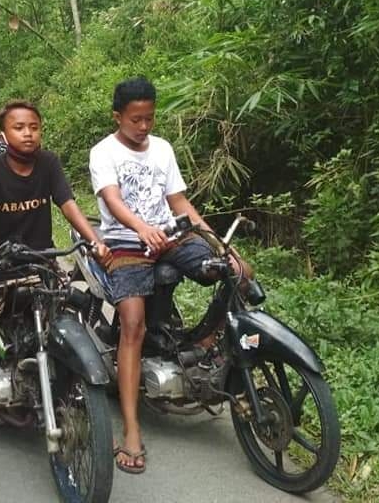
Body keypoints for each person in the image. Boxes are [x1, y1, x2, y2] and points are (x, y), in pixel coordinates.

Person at [0, 100, 111, 473]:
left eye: (34, 126)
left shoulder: (49, 163)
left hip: (40, 261)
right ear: (4, 134)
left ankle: (69, 394)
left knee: (70, 320)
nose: (28, 133)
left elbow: (68, 206)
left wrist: (94, 241)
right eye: (19, 127)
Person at [89, 76, 252, 475]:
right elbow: (111, 199)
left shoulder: (162, 148)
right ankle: (130, 428)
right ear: (118, 117)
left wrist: (217, 243)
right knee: (132, 325)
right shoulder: (102, 152)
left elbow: (178, 201)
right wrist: (141, 228)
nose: (144, 127)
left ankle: (205, 347)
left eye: (149, 119)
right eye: (136, 120)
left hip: (172, 236)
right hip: (126, 242)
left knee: (238, 274)